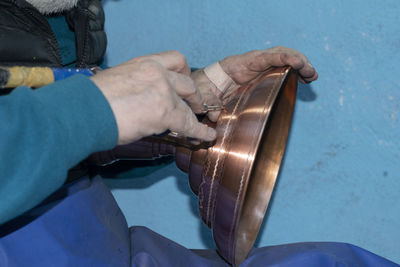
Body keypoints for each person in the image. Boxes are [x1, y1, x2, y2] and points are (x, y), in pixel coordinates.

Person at [0, 0, 396, 266]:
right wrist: (89, 109)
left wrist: (193, 103)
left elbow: (63, 141)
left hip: (98, 237)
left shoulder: (64, 16)